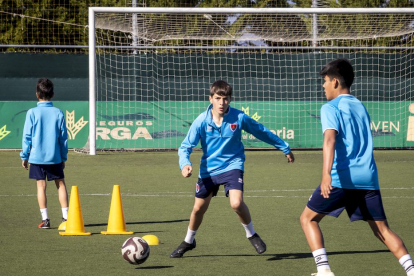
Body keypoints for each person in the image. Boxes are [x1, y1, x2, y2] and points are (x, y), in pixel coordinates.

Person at [300, 59, 414, 276]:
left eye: (324, 81)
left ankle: (324, 270)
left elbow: (330, 140)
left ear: (334, 82)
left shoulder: (330, 108)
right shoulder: (360, 106)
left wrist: (326, 175)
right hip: (368, 178)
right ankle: (411, 270)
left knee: (308, 219)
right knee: (382, 230)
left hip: (342, 178)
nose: (322, 86)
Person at [170, 80, 295, 258]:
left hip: (232, 165)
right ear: (210, 98)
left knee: (236, 203)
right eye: (218, 98)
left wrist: (284, 147)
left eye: (226, 99)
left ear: (230, 99)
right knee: (198, 209)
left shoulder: (239, 117)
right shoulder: (201, 121)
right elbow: (185, 147)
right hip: (209, 170)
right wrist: (185, 164)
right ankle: (189, 241)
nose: (222, 103)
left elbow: (262, 131)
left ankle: (251, 234)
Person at [20, 78, 69, 229]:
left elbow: (27, 136)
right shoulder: (58, 113)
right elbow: (63, 138)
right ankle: (67, 219)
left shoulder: (32, 113)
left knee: (40, 187)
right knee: (60, 184)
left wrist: (24, 156)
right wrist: (63, 156)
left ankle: (46, 220)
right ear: (52, 94)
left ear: (37, 94)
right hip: (54, 157)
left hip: (37, 157)